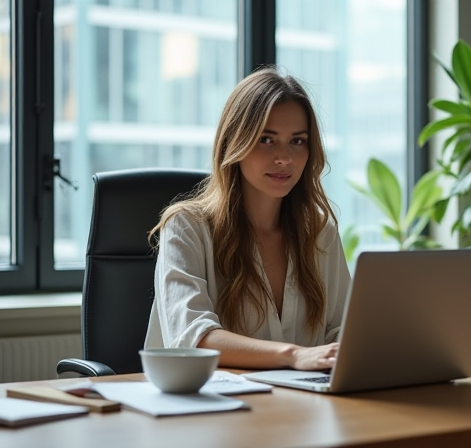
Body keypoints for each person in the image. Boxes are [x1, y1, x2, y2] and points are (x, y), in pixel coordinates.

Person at [144, 66, 351, 371]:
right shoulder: (186, 228)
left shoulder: (319, 232)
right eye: (266, 140)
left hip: (303, 406)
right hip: (210, 408)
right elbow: (194, 337)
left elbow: (342, 329)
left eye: (297, 141)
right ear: (234, 143)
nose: (285, 158)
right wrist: (293, 355)